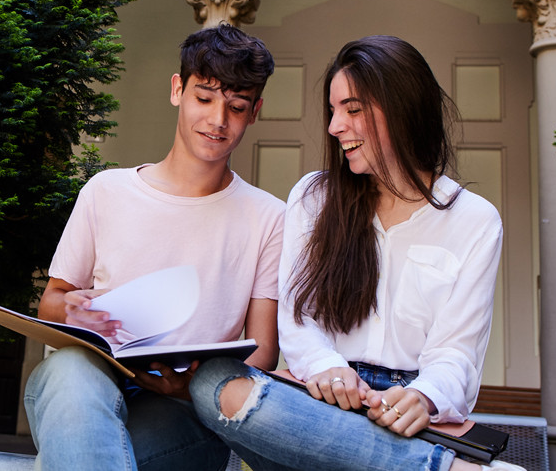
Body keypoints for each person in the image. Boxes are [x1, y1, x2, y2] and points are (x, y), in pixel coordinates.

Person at [189, 35, 524, 471]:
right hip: (319, 401)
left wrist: (423, 397)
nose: (334, 126)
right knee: (214, 382)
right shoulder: (313, 197)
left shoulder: (475, 220)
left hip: (406, 413)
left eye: (352, 108)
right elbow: (297, 318)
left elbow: (456, 353)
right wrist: (327, 369)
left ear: (403, 107)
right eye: (332, 110)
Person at [23, 24, 285, 471]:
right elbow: (52, 299)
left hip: (188, 407)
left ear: (254, 111)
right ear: (177, 90)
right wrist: (75, 310)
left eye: (236, 107)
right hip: (92, 377)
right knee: (67, 371)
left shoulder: (269, 217)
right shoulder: (105, 191)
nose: (218, 120)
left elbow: (262, 351)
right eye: (204, 98)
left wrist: (187, 388)